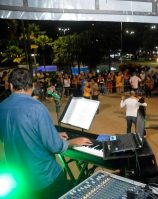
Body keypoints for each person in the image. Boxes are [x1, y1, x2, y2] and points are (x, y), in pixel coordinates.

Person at [0, 68, 92, 199]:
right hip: (43, 178)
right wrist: (72, 142)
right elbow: (55, 147)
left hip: (19, 179)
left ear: (10, 86)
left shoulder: (2, 106)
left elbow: (12, 135)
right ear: (32, 86)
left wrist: (51, 134)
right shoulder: (36, 107)